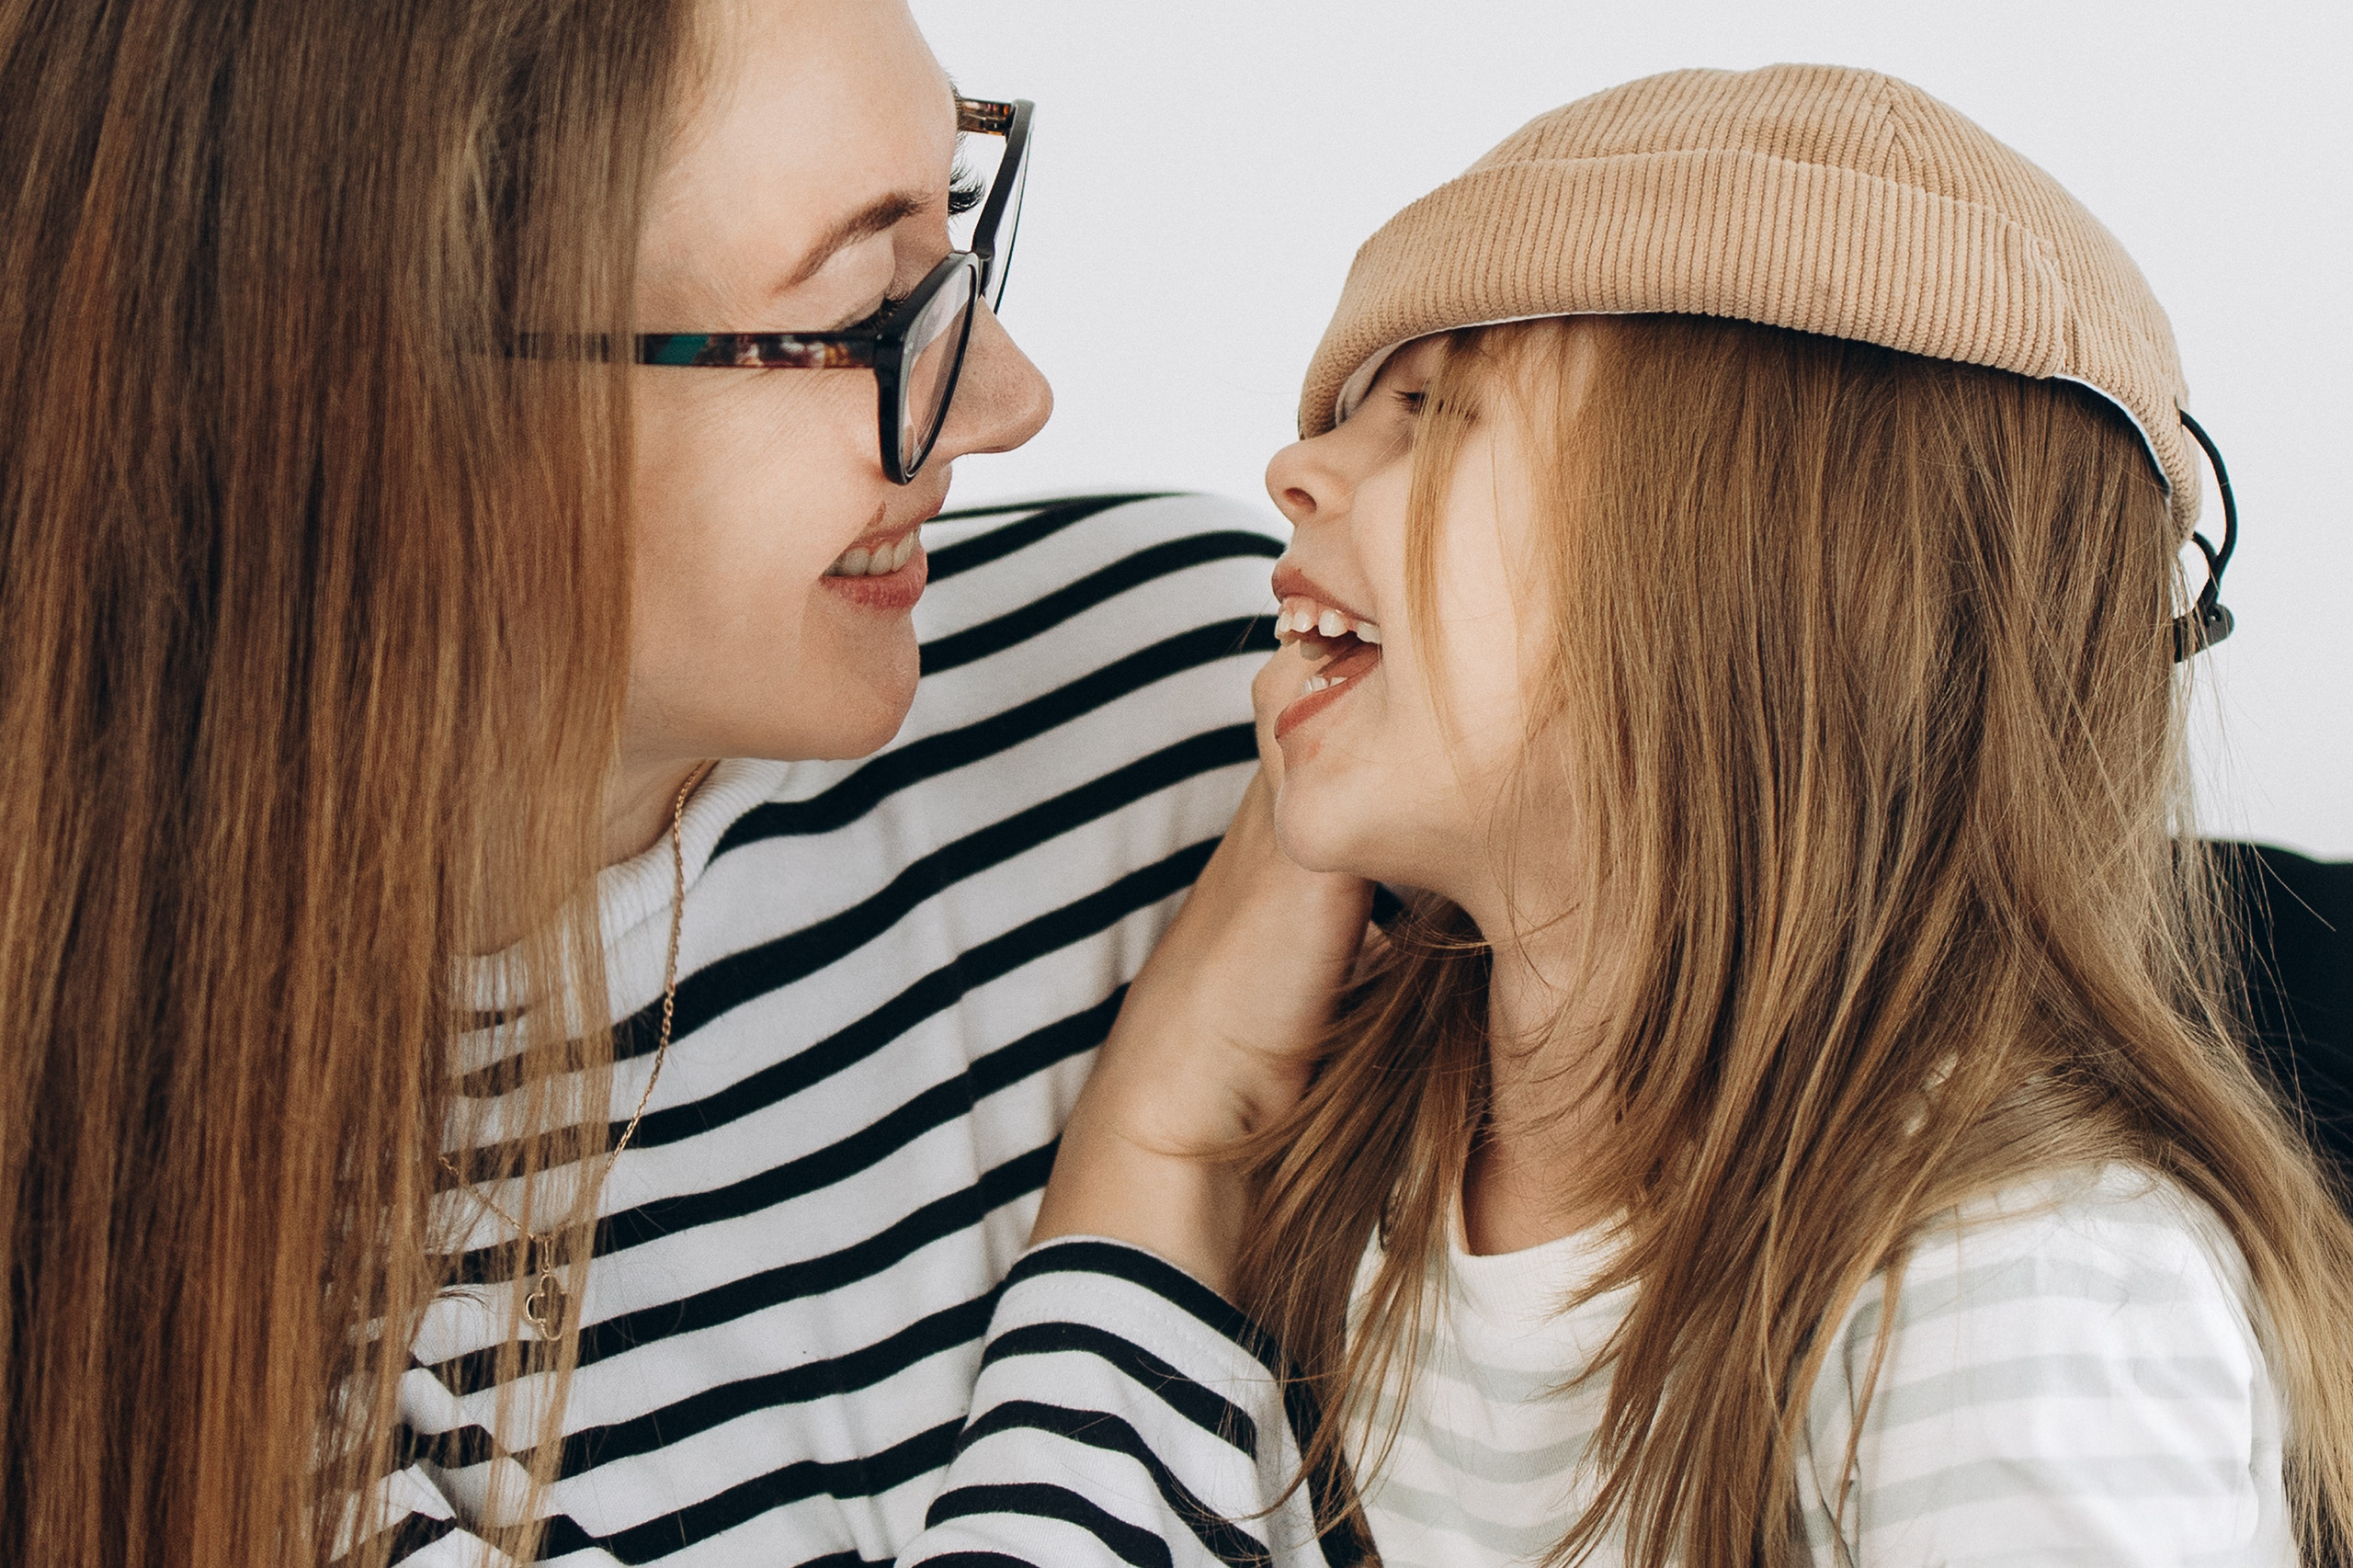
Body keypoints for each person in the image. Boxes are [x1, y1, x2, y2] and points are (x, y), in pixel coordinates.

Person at [0, 2, 1348, 1565]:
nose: (1007, 401)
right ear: (416, 413)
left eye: (957, 229)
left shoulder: (1211, 703)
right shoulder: (118, 1255)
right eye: (870, 306)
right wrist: (1162, 1160)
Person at [1033, 65, 2353, 1567]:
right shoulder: (1374, 1167)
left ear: (1784, 595)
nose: (1295, 466)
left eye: (1429, 412)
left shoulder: (2018, 1295)